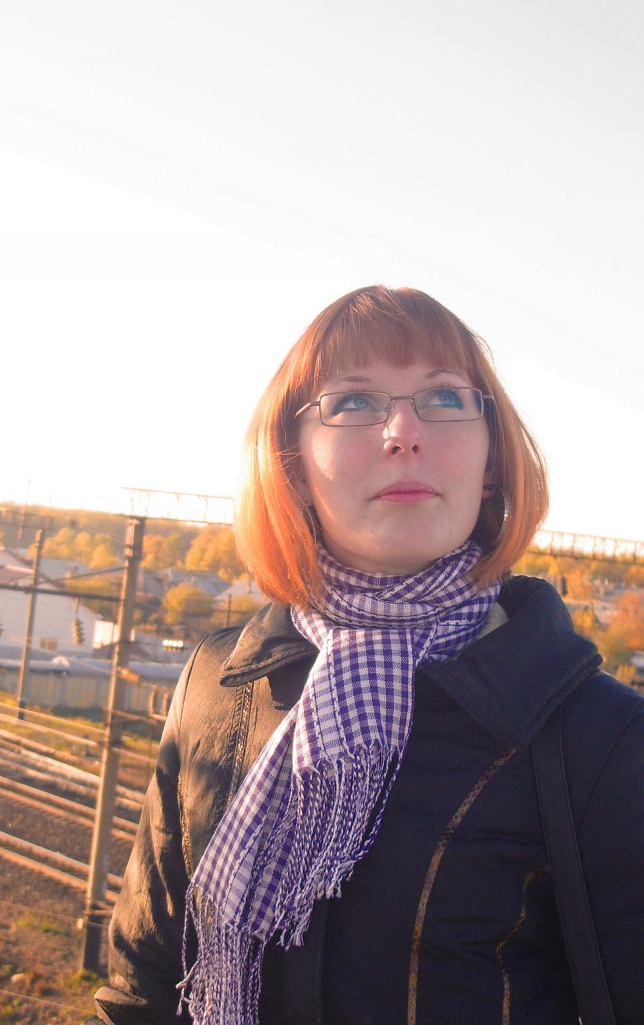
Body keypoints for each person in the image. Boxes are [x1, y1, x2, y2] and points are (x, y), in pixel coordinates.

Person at [92, 286, 644, 1025]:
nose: (403, 433)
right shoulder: (217, 686)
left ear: (491, 460)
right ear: (293, 464)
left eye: (444, 397)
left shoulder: (602, 738)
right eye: (354, 402)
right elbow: (146, 984)